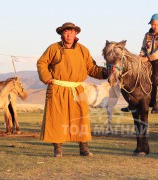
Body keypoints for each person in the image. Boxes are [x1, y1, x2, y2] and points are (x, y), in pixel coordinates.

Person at [37, 22, 108, 157]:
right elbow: (41, 63)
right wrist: (47, 78)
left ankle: (83, 148)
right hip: (58, 88)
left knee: (80, 118)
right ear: (62, 34)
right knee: (57, 119)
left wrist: (106, 72)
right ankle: (57, 149)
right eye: (66, 32)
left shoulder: (83, 50)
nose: (69, 34)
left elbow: (91, 68)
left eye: (71, 32)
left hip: (76, 89)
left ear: (76, 33)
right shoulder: (53, 48)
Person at [121, 13, 158, 114]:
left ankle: (157, 103)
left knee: (157, 77)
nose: (155, 27)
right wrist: (140, 56)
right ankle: (131, 103)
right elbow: (143, 48)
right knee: (133, 74)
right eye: (153, 24)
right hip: (146, 58)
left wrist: (148, 58)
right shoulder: (147, 35)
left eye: (157, 25)